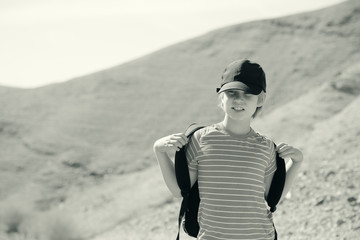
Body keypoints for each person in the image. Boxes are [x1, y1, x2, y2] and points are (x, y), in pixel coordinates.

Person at [153, 59, 303, 240]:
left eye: (248, 94)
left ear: (261, 99)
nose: (239, 99)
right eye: (231, 92)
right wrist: (159, 151)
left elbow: (273, 197)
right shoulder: (200, 139)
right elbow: (179, 191)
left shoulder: (266, 147)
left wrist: (296, 162)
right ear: (221, 97)